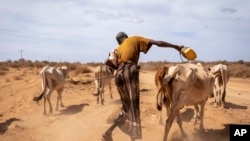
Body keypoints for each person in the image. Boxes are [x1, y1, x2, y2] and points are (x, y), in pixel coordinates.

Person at [102, 31, 185, 141]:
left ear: (118, 41)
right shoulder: (134, 39)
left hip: (119, 76)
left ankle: (108, 133)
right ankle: (122, 136)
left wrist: (130, 66)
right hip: (129, 74)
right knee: (133, 108)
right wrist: (176, 47)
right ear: (125, 37)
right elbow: (158, 43)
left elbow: (113, 65)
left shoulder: (118, 48)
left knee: (126, 108)